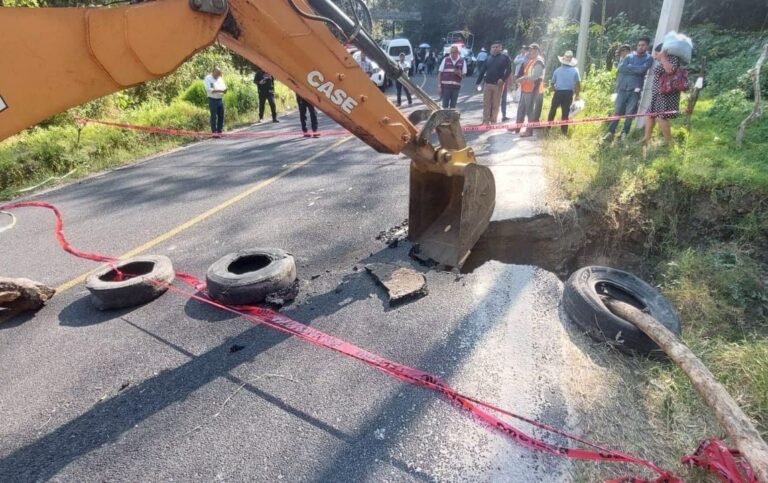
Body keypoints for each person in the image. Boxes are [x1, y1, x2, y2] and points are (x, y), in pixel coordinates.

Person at [605, 36, 652, 141]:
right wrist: (635, 68)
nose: (640, 47)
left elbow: (642, 70)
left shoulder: (648, 58)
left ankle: (624, 133)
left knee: (629, 113)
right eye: (639, 45)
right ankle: (610, 132)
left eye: (643, 45)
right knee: (617, 111)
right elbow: (621, 68)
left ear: (647, 46)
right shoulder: (629, 56)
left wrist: (630, 67)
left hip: (635, 89)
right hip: (622, 88)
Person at [642, 44, 683, 146]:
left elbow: (670, 70)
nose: (655, 56)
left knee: (661, 117)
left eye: (656, 53)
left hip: (666, 94)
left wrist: (663, 57)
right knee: (649, 115)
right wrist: (661, 58)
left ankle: (670, 142)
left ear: (663, 51)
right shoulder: (664, 60)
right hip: (658, 93)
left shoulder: (673, 59)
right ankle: (647, 139)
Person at [475, 41, 512, 124]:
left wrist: (503, 79)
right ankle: (485, 120)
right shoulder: (488, 58)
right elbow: (482, 71)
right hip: (487, 84)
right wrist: (478, 83)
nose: (495, 48)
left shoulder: (505, 58)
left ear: (500, 48)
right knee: (486, 104)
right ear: (490, 49)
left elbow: (509, 70)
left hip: (498, 85)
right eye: (493, 47)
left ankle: (493, 120)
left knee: (495, 104)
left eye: (497, 47)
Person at [514, 43, 545, 137]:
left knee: (529, 111)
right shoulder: (532, 61)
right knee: (521, 109)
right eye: (529, 50)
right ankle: (517, 127)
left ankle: (529, 131)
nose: (529, 52)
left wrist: (523, 78)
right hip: (526, 89)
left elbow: (535, 76)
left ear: (536, 51)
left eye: (531, 50)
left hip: (532, 90)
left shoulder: (538, 62)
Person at [547, 50, 581, 135]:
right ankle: (564, 131)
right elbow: (578, 84)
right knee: (565, 112)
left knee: (553, 109)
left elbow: (552, 84)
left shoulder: (557, 70)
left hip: (558, 93)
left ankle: (548, 127)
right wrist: (577, 95)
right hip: (569, 93)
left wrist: (552, 90)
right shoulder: (575, 71)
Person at [438, 44, 466, 109]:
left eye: (454, 52)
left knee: (453, 106)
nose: (453, 54)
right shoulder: (445, 60)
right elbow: (440, 73)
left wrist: (459, 74)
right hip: (446, 87)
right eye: (451, 52)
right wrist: (439, 86)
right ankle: (444, 119)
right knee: (445, 105)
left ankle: (451, 119)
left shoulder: (462, 61)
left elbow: (464, 76)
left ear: (458, 53)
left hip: (456, 88)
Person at [203, 66, 227, 137]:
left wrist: (225, 90)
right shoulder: (208, 78)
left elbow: (224, 87)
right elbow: (210, 89)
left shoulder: (220, 79)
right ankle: (214, 132)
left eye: (219, 74)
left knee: (221, 116)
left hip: (220, 99)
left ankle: (220, 131)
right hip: (212, 99)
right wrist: (221, 90)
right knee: (213, 116)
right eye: (217, 74)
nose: (218, 76)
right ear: (213, 72)